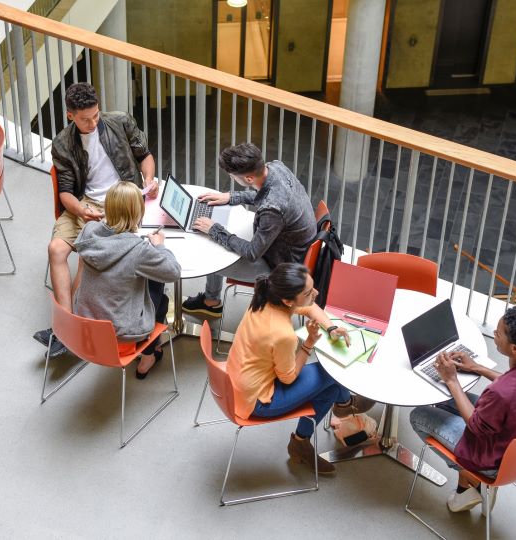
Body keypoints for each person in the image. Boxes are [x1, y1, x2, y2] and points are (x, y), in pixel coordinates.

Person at [33, 82, 158, 356]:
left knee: (88, 254)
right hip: (84, 203)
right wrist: (80, 210)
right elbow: (65, 193)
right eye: (84, 119)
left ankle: (68, 329)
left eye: (96, 116)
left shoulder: (121, 122)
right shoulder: (63, 143)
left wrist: (148, 179)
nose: (92, 123)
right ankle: (66, 326)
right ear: (70, 116)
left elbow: (145, 156)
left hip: (120, 199)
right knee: (56, 249)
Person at [408, 306, 516, 513]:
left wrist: (451, 379)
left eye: (498, 334)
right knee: (443, 400)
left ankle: (472, 479)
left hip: (496, 460)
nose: (495, 335)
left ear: (515, 349)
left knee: (418, 414)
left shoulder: (502, 393)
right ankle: (472, 486)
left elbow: (476, 426)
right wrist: (476, 367)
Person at [227, 262, 368, 475]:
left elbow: (309, 307)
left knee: (330, 387)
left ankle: (338, 408)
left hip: (236, 381)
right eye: (309, 292)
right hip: (257, 402)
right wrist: (309, 343)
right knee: (333, 372)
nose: (317, 293)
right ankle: (343, 406)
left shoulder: (265, 298)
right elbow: (289, 378)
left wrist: (330, 327)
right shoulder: (283, 334)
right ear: (288, 300)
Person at [182, 143, 316, 318]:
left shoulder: (272, 210)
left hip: (280, 266)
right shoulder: (276, 167)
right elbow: (266, 193)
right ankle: (211, 300)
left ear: (249, 179)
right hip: (291, 249)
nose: (232, 179)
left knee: (213, 256)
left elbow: (252, 252)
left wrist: (214, 229)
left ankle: (211, 301)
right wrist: (231, 197)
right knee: (221, 240)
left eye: (232, 176)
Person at [72, 182, 180, 378]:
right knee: (160, 293)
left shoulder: (89, 231)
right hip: (119, 340)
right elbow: (173, 271)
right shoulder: (139, 250)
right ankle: (147, 356)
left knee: (146, 279)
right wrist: (160, 246)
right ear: (138, 213)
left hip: (84, 329)